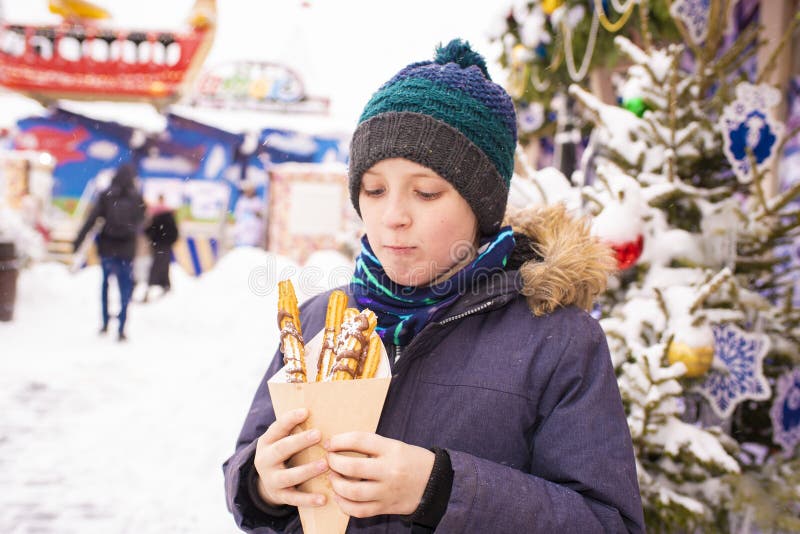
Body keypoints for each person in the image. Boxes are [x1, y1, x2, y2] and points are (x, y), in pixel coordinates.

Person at [223, 40, 645, 533]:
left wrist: (442, 489)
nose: (393, 217)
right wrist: (260, 484)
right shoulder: (318, 320)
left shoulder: (558, 342)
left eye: (425, 192)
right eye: (374, 190)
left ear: (480, 204)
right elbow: (247, 466)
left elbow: (605, 523)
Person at [73, 164, 145, 342]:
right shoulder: (137, 198)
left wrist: (78, 241)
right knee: (125, 288)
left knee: (106, 285)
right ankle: (121, 327)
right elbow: (141, 223)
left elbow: (92, 219)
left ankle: (105, 323)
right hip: (127, 250)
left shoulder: (106, 195)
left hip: (107, 248)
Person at [143, 194, 179, 302]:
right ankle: (165, 285)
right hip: (166, 244)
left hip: (158, 244)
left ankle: (151, 286)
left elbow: (148, 230)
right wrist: (169, 241)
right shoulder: (169, 215)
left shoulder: (155, 214)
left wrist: (153, 239)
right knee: (164, 265)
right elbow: (175, 233)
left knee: (156, 265)